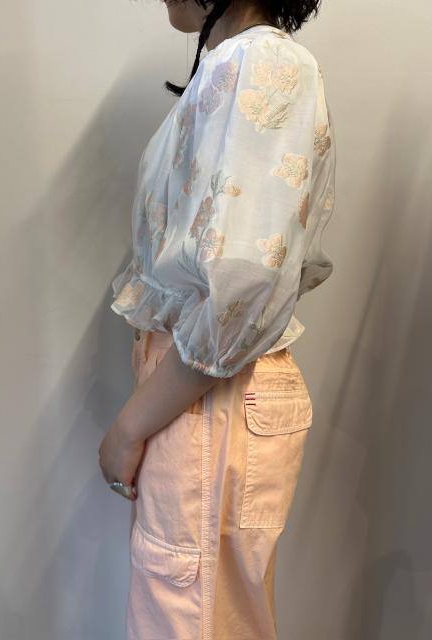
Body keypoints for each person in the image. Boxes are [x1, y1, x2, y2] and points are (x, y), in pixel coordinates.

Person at [99, 0, 335, 637]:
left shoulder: (263, 63)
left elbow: (244, 289)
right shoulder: (237, 63)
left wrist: (128, 427)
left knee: (186, 618)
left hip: (207, 397)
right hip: (197, 393)